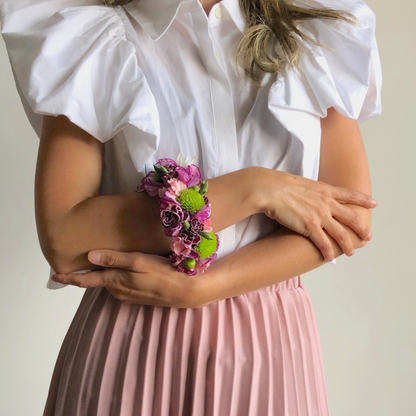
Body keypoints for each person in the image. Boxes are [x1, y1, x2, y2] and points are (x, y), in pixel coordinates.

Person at [0, 0, 381, 414]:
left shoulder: (314, 31)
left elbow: (351, 218)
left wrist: (205, 288)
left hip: (269, 349)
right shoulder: (91, 36)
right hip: (131, 345)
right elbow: (64, 236)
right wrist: (257, 188)